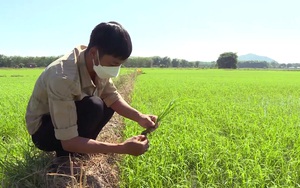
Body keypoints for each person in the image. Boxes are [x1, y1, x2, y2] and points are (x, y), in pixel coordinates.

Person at [25, 21, 157, 159]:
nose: (115, 70)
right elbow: (68, 141)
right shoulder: (62, 77)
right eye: (113, 64)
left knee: (107, 103)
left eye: (119, 65)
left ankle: (81, 150)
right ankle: (65, 159)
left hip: (69, 122)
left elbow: (113, 97)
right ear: (94, 52)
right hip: (44, 132)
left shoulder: (96, 63)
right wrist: (121, 148)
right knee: (94, 105)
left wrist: (140, 117)